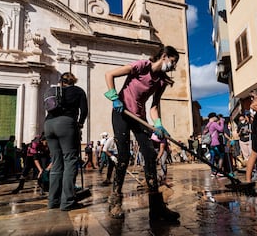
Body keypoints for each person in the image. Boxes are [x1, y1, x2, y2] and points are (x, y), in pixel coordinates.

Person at [104, 45, 180, 222]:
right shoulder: (142, 66)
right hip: (121, 113)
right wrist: (115, 97)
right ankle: (115, 200)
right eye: (173, 62)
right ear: (164, 56)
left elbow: (153, 106)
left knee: (150, 154)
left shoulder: (161, 81)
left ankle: (156, 207)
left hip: (139, 118)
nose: (173, 67)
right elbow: (110, 74)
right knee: (123, 156)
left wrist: (158, 124)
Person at [44, 72, 88, 211]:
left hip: (48, 124)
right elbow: (84, 110)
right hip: (66, 124)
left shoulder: (54, 91)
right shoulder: (78, 91)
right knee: (70, 160)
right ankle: (67, 201)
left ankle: (53, 201)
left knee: (56, 162)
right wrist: (80, 123)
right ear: (73, 80)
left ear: (61, 81)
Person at [205, 112, 224, 177]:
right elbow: (221, 129)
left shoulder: (208, 124)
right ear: (213, 117)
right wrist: (221, 121)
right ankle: (218, 171)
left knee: (212, 157)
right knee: (221, 156)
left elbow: (205, 131)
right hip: (215, 142)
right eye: (216, 117)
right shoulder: (214, 124)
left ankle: (213, 172)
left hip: (210, 143)